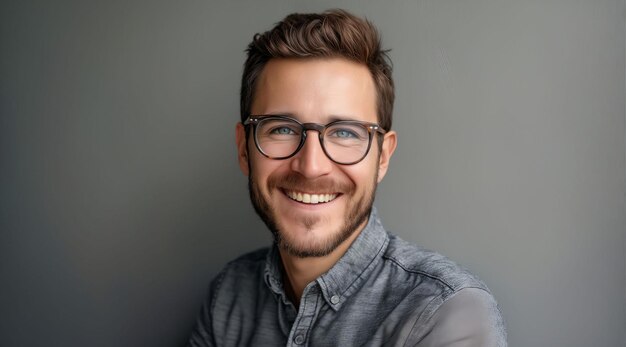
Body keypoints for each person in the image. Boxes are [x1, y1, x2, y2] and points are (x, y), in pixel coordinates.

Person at [188, 9, 506, 346]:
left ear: (382, 156)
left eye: (344, 133)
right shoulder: (229, 295)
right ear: (243, 149)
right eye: (281, 128)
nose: (311, 166)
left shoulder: (444, 312)